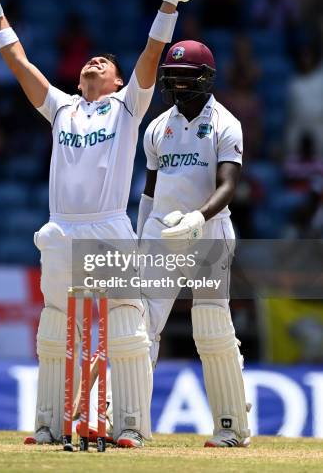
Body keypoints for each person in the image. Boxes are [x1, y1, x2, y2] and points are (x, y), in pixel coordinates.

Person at [0, 0, 200, 447]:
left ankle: (130, 427)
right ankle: (49, 426)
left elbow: (151, 55)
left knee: (125, 328)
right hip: (61, 228)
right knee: (54, 326)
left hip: (110, 226)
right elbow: (21, 65)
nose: (96, 61)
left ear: (117, 81)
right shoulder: (62, 108)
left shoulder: (127, 107)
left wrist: (170, 2)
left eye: (105, 62)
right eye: (91, 60)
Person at [137, 40, 251, 448]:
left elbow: (228, 185)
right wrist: (140, 236)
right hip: (161, 234)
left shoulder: (226, 123)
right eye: (174, 76)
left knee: (210, 327)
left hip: (209, 234)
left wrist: (197, 218)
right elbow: (150, 192)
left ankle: (231, 427)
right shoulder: (156, 127)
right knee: (140, 326)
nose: (179, 84)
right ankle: (130, 425)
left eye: (187, 77)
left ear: (205, 79)